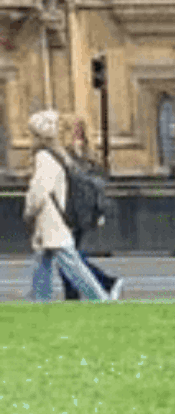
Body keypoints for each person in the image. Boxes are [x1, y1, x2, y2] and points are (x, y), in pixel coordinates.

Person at [23, 109, 112, 302]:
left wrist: (29, 210)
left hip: (50, 219)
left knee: (71, 263)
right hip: (54, 217)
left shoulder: (44, 157)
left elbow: (39, 190)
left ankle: (100, 297)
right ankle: (38, 300)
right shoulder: (59, 155)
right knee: (43, 259)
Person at [56, 114, 122, 299]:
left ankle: (106, 282)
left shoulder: (86, 156)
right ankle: (74, 295)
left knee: (68, 257)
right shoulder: (63, 154)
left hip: (78, 213)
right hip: (67, 211)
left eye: (80, 128)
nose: (78, 132)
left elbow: (94, 183)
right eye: (74, 128)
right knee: (68, 256)